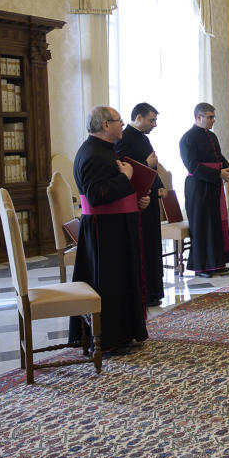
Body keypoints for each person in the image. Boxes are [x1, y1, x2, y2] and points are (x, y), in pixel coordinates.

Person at [69, 106, 151, 353]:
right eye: (119, 121)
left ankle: (124, 334)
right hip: (104, 232)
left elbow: (110, 189)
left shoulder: (104, 150)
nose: (123, 125)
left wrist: (136, 198)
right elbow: (96, 195)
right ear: (105, 125)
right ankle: (109, 340)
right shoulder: (92, 153)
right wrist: (125, 179)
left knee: (122, 282)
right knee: (110, 284)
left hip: (116, 227)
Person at [115, 103, 167, 307]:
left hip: (150, 197)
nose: (154, 124)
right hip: (138, 200)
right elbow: (125, 169)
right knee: (143, 245)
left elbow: (152, 167)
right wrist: (148, 165)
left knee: (152, 244)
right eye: (151, 120)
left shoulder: (143, 138)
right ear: (138, 117)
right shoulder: (125, 138)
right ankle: (146, 292)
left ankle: (154, 291)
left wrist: (160, 185)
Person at [180, 103, 229, 278]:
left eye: (213, 117)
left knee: (215, 224)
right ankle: (202, 266)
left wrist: (228, 171)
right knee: (202, 226)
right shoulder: (187, 138)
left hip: (213, 184)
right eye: (210, 117)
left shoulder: (211, 136)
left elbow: (219, 157)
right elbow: (192, 166)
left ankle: (216, 263)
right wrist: (218, 173)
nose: (213, 120)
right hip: (198, 187)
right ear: (198, 117)